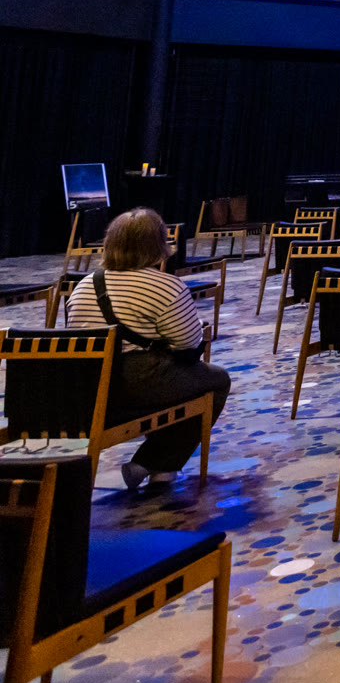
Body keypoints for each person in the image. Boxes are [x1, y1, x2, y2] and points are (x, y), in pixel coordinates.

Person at [64, 208, 233, 492]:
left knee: (181, 381)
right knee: (215, 381)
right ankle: (153, 463)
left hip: (86, 387)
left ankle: (161, 469)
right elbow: (189, 344)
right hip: (138, 383)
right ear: (157, 245)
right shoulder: (165, 286)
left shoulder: (84, 285)